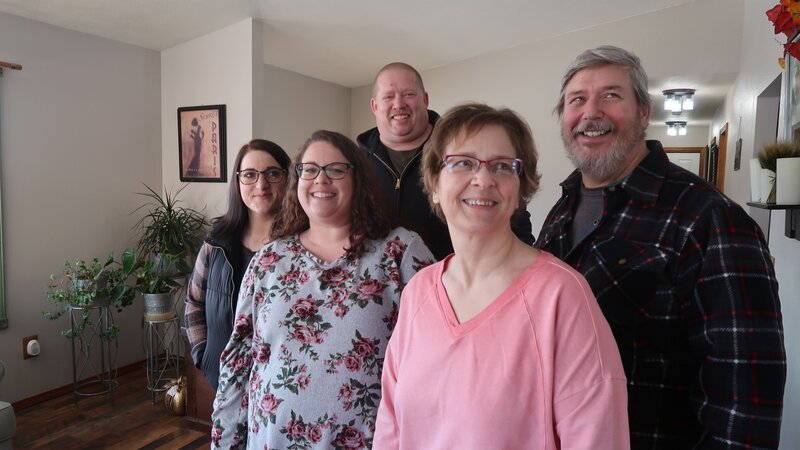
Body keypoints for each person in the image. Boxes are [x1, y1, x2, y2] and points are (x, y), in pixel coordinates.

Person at [536, 45, 786, 449]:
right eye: (576, 100)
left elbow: (745, 398)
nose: (591, 112)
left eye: (611, 96)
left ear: (644, 112)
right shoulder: (561, 208)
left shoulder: (710, 218)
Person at [374, 103, 629, 449]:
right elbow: (391, 426)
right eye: (463, 163)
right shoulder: (418, 291)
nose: (483, 179)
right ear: (434, 183)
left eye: (502, 166)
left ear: (520, 189)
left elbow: (598, 439)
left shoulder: (561, 295)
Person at [211, 130, 435, 449]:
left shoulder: (399, 251)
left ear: (358, 180)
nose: (321, 179)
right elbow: (238, 361)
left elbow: (438, 359)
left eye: (335, 169)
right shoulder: (269, 260)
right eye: (310, 169)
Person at [357, 62, 534, 260]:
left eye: (409, 94)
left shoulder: (462, 148)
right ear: (374, 105)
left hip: (457, 282)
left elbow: (513, 219)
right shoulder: (354, 164)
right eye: (389, 96)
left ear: (425, 99)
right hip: (377, 287)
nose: (399, 104)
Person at [185, 139, 291, 391]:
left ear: (288, 179)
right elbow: (193, 303)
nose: (261, 184)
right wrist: (203, 355)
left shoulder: (301, 246)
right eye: (250, 175)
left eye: (272, 174)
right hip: (224, 381)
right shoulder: (217, 242)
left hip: (281, 389)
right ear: (238, 181)